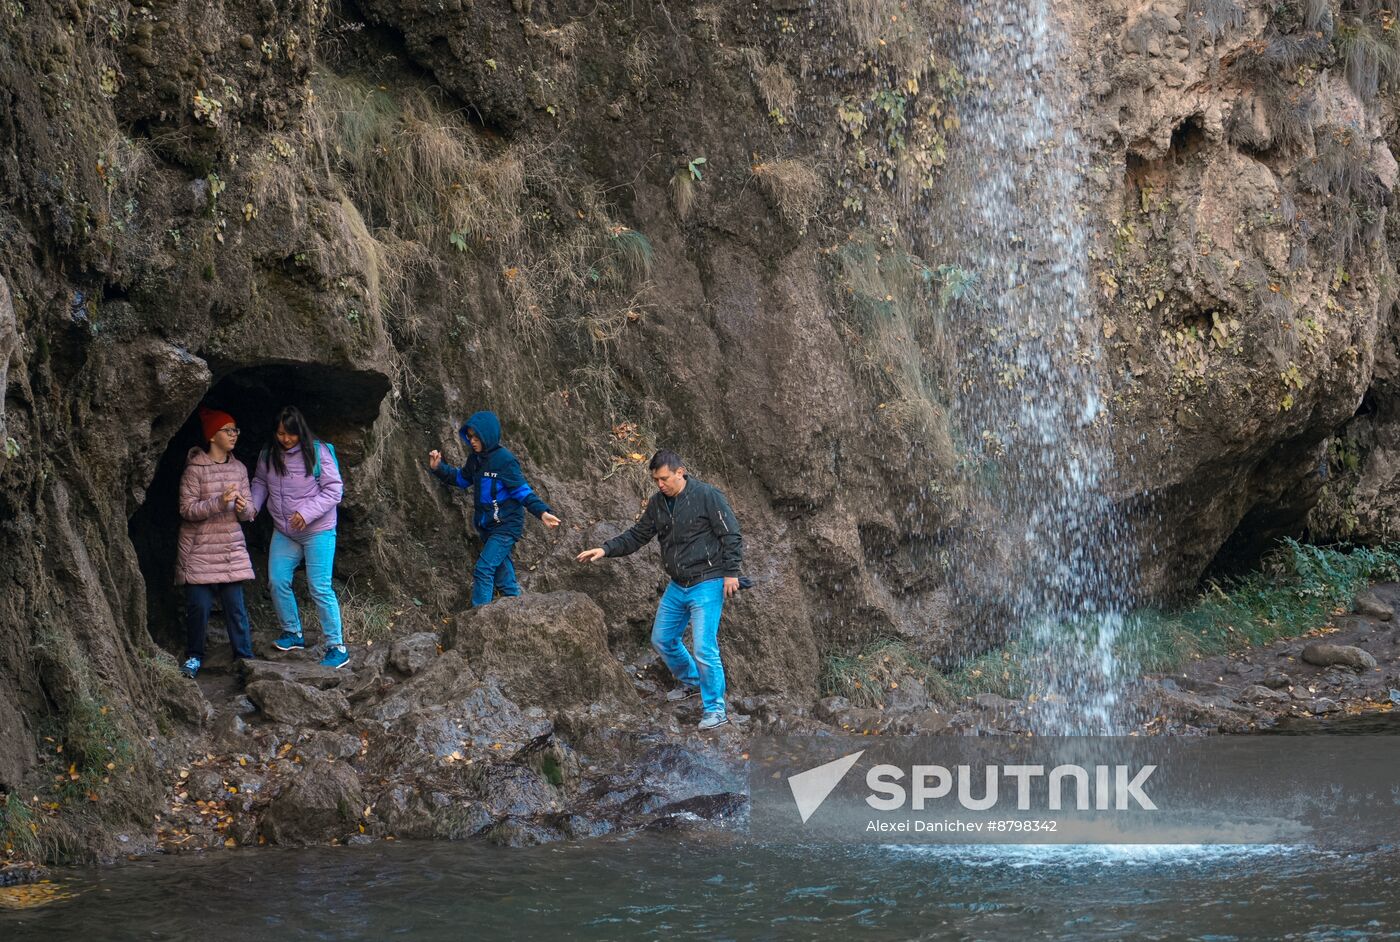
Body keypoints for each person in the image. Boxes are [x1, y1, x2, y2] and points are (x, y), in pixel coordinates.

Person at [576, 449, 742, 730]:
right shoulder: (658, 504)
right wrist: (605, 549)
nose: (660, 484)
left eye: (664, 478)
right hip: (678, 584)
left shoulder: (707, 496)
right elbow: (637, 535)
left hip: (708, 581)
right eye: (656, 480)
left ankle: (716, 710)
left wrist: (731, 573)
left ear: (681, 472)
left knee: (704, 648)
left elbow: (731, 533)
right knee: (663, 640)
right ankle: (691, 682)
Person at [250, 406, 349, 669]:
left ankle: (337, 646)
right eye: (281, 433)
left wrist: (306, 513)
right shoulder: (268, 455)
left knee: (320, 587)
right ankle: (292, 632)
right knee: (277, 580)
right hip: (284, 530)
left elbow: (334, 490)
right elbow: (260, 482)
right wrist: (251, 508)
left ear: (300, 432)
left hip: (318, 530)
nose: (285, 439)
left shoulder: (317, 452)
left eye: (291, 434)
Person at [428, 410, 561, 606]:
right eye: (470, 436)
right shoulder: (475, 459)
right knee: (504, 579)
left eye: (477, 436)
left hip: (506, 526)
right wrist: (438, 468)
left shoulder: (504, 460)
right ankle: (516, 611)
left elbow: (522, 492)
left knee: (484, 569)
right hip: (487, 526)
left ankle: (479, 617)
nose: (472, 441)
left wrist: (542, 512)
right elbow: (462, 479)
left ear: (488, 435)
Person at [175, 407, 256, 679]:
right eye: (228, 430)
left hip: (230, 547)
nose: (234, 435)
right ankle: (194, 657)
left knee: (236, 607)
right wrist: (218, 502)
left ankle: (245, 658)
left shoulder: (240, 468)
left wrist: (244, 508)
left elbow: (250, 512)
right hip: (200, 548)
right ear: (212, 436)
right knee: (198, 608)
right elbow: (186, 509)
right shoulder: (195, 470)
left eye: (236, 430)